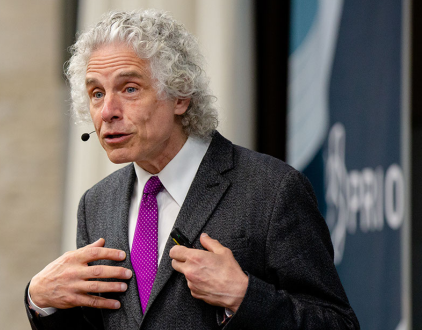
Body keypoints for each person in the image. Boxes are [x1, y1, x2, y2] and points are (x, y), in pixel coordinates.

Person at [24, 10, 359, 330]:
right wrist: (40, 300)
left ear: (180, 95)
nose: (107, 111)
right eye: (96, 93)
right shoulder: (96, 203)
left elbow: (338, 323)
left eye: (129, 89)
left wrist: (243, 296)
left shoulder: (272, 189)